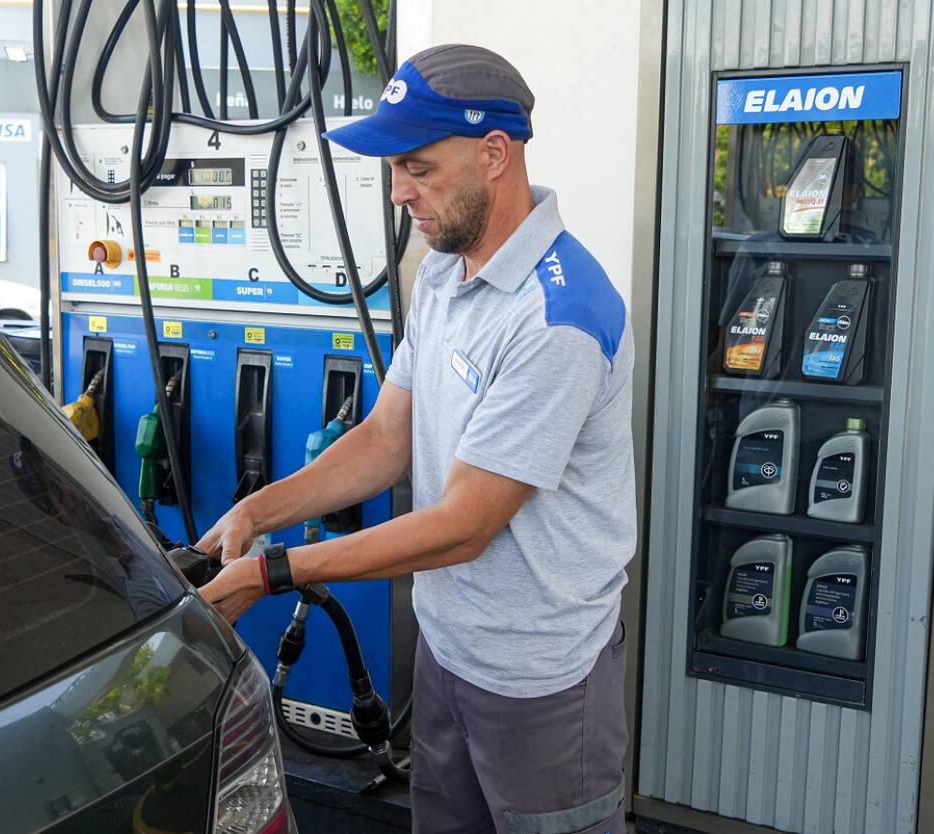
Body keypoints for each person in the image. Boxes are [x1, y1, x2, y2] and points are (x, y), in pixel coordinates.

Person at [198, 43, 635, 834]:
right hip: (448, 653)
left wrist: (274, 571)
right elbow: (384, 438)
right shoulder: (445, 270)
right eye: (395, 171)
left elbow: (463, 525)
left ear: (494, 154)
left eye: (419, 169)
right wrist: (258, 511)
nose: (400, 193)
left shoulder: (556, 318)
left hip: (540, 684)